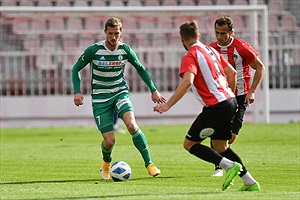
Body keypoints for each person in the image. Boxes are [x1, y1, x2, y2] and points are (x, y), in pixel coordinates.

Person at [154, 20, 260, 191]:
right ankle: (250, 182)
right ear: (198, 35)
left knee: (189, 144)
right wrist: (229, 98)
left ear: (182, 39)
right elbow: (231, 74)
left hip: (217, 106)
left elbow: (187, 81)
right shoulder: (210, 50)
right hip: (230, 100)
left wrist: (168, 105)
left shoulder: (190, 55)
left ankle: (228, 166)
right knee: (221, 146)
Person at [72, 17, 166, 180]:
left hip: (120, 93)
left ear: (121, 32)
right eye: (110, 34)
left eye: (116, 33)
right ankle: (106, 163)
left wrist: (153, 90)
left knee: (131, 125)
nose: (113, 37)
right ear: (105, 33)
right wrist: (77, 91)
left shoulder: (125, 50)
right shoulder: (94, 50)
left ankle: (149, 163)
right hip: (100, 98)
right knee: (109, 141)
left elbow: (141, 69)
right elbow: (75, 69)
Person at [209, 16, 265, 177]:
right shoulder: (211, 49)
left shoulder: (241, 47)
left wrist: (252, 90)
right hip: (219, 96)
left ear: (231, 32)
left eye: (223, 34)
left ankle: (226, 163)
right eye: (217, 33)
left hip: (240, 95)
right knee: (217, 129)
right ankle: (219, 167)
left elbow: (260, 68)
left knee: (231, 137)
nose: (219, 37)